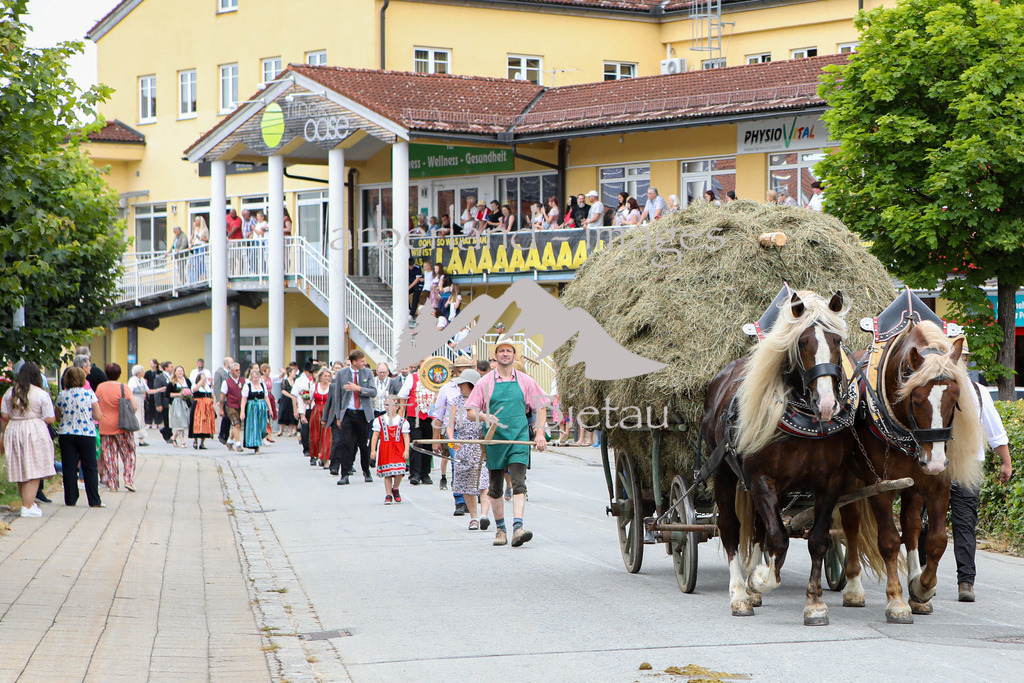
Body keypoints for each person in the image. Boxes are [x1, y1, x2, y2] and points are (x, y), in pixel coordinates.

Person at [465, 341, 548, 547]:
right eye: (501, 351)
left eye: (508, 351)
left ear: (514, 356)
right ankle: (500, 530)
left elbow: (541, 406)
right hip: (494, 439)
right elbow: (470, 412)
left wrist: (539, 433)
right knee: (495, 487)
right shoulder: (484, 383)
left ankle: (518, 528)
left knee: (519, 482)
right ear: (495, 355)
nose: (505, 354)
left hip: (518, 437)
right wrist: (485, 417)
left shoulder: (526, 381)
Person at [951, 354, 1014, 602]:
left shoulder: (978, 392)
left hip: (967, 467)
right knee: (924, 521)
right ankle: (925, 573)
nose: (958, 361)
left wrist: (1006, 461)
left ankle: (966, 582)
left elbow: (994, 430)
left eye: (962, 357)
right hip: (936, 466)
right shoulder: (928, 386)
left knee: (965, 524)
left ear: (965, 361)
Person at [1, 363, 57, 517]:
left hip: (14, 429)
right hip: (34, 430)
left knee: (21, 467)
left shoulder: (10, 392)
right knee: (34, 467)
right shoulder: (40, 394)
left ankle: (29, 503)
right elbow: (50, 418)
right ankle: (27, 506)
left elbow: (4, 415)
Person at [447, 369, 492, 529]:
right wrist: (452, 439)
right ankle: (473, 517)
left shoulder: (484, 401)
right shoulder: (457, 401)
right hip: (463, 445)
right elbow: (450, 424)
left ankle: (484, 515)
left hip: (481, 446)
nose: (459, 386)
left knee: (483, 481)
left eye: (462, 384)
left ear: (471, 385)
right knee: (465, 482)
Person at [324, 350, 377, 484]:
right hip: (347, 413)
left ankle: (366, 470)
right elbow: (338, 396)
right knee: (345, 444)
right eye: (362, 361)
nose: (364, 363)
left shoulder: (367, 373)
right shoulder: (342, 373)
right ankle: (345, 474)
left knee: (363, 445)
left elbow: (373, 392)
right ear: (354, 362)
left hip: (362, 413)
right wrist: (338, 416)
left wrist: (358, 388)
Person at [55, 366, 104, 508]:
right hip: (86, 433)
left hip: (66, 433)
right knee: (90, 467)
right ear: (83, 379)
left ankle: (70, 499)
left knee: (69, 467)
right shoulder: (90, 395)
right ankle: (94, 500)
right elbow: (97, 415)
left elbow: (57, 416)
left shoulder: (62, 395)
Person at [95, 363, 138, 492]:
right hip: (122, 426)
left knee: (109, 454)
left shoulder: (100, 387)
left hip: (104, 426)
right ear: (119, 374)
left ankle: (113, 482)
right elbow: (134, 406)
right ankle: (128, 480)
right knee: (129, 452)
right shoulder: (123, 387)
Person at [399, 363, 436, 486]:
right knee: (416, 443)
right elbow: (403, 395)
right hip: (415, 416)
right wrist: (401, 415)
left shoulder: (435, 378)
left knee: (428, 446)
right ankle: (415, 473)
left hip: (430, 417)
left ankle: (425, 474)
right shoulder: (412, 377)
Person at [371, 395, 409, 504]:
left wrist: (406, 450)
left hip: (398, 448)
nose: (388, 407)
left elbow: (406, 436)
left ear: (397, 407)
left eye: (391, 405)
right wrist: (373, 450)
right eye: (387, 405)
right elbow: (375, 435)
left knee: (399, 470)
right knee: (387, 473)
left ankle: (395, 488)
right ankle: (388, 494)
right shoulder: (380, 420)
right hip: (385, 448)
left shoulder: (403, 421)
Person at [240, 366, 271, 454]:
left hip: (262, 407)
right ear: (251, 377)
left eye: (257, 377)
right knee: (254, 426)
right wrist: (242, 411)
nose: (256, 379)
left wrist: (270, 408)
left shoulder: (262, 385)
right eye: (254, 377)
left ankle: (260, 439)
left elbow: (266, 397)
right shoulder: (247, 386)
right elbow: (244, 399)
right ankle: (256, 446)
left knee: (262, 425)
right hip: (252, 408)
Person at [308, 367, 333, 467]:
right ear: (321, 376)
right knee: (315, 435)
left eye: (328, 376)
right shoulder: (314, 386)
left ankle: (326, 459)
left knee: (327, 435)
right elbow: (309, 400)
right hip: (316, 412)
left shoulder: (332, 386)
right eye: (325, 376)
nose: (327, 378)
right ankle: (318, 455)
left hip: (328, 412)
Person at [293, 360, 316, 461]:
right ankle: (307, 448)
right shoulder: (300, 381)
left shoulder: (315, 381)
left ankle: (314, 450)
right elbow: (295, 396)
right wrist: (296, 410)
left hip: (314, 407)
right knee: (305, 428)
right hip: (304, 408)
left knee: (314, 430)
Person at [219, 361, 245, 452]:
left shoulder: (243, 381)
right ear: (232, 371)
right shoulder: (226, 382)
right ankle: (238, 444)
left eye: (239, 370)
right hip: (231, 406)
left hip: (240, 406)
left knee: (237, 426)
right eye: (236, 370)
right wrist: (221, 409)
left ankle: (229, 442)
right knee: (236, 424)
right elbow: (222, 397)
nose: (239, 371)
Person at [189, 372, 216, 449]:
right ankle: (195, 440)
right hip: (198, 406)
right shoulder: (195, 385)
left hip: (207, 407)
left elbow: (213, 395)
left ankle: (202, 443)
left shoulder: (208, 387)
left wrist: (213, 404)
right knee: (197, 422)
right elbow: (195, 390)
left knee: (205, 424)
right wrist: (200, 382)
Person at [167, 365, 192, 448]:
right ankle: (182, 441)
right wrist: (179, 394)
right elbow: (168, 394)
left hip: (185, 402)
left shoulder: (187, 381)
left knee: (184, 421)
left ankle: (174, 437)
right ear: (175, 372)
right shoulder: (172, 382)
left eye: (181, 371)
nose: (180, 372)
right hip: (176, 402)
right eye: (178, 371)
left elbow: (191, 391)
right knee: (179, 421)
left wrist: (188, 395)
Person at [127, 364, 150, 447]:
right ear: (139, 372)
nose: (143, 372)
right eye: (142, 371)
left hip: (141, 400)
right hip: (135, 400)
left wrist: (160, 390)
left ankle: (141, 439)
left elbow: (148, 391)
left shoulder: (142, 380)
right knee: (138, 418)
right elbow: (129, 391)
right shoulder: (133, 380)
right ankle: (138, 438)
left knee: (141, 418)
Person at [213, 356, 233, 445]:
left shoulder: (231, 373)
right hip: (223, 398)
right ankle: (222, 434)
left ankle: (226, 434)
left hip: (230, 398)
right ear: (226, 363)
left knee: (229, 418)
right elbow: (217, 387)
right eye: (231, 362)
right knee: (225, 417)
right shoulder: (219, 373)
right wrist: (217, 399)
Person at [153, 360, 173, 443]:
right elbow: (157, 392)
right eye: (171, 367)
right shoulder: (160, 378)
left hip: (171, 401)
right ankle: (168, 435)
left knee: (170, 419)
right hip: (164, 401)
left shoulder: (172, 377)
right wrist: (158, 404)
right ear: (166, 368)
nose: (172, 368)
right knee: (166, 419)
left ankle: (167, 432)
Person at [277, 366, 298, 437]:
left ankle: (291, 431)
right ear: (289, 373)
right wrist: (291, 396)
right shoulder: (285, 381)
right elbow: (283, 390)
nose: (295, 373)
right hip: (286, 399)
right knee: (283, 413)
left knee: (292, 415)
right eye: (294, 372)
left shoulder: (296, 381)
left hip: (293, 400)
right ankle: (280, 430)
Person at [144, 358, 159, 428]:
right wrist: (145, 392)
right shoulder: (147, 373)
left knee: (156, 407)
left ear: (156, 364)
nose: (150, 364)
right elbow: (145, 382)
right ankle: (149, 423)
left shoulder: (159, 372)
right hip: (149, 391)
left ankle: (157, 423)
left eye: (152, 363)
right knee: (149, 408)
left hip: (157, 391)